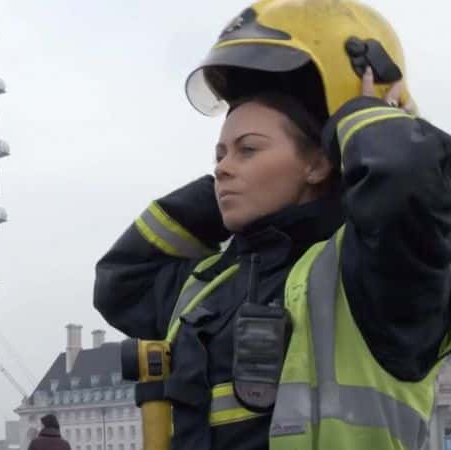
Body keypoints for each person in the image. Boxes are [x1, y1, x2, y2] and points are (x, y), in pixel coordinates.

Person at [94, 1, 450, 449]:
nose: (222, 168)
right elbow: (121, 282)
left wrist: (364, 113)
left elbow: (408, 183)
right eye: (218, 155)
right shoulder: (208, 283)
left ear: (321, 162)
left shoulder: (369, 277)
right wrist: (219, 193)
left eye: (248, 149)